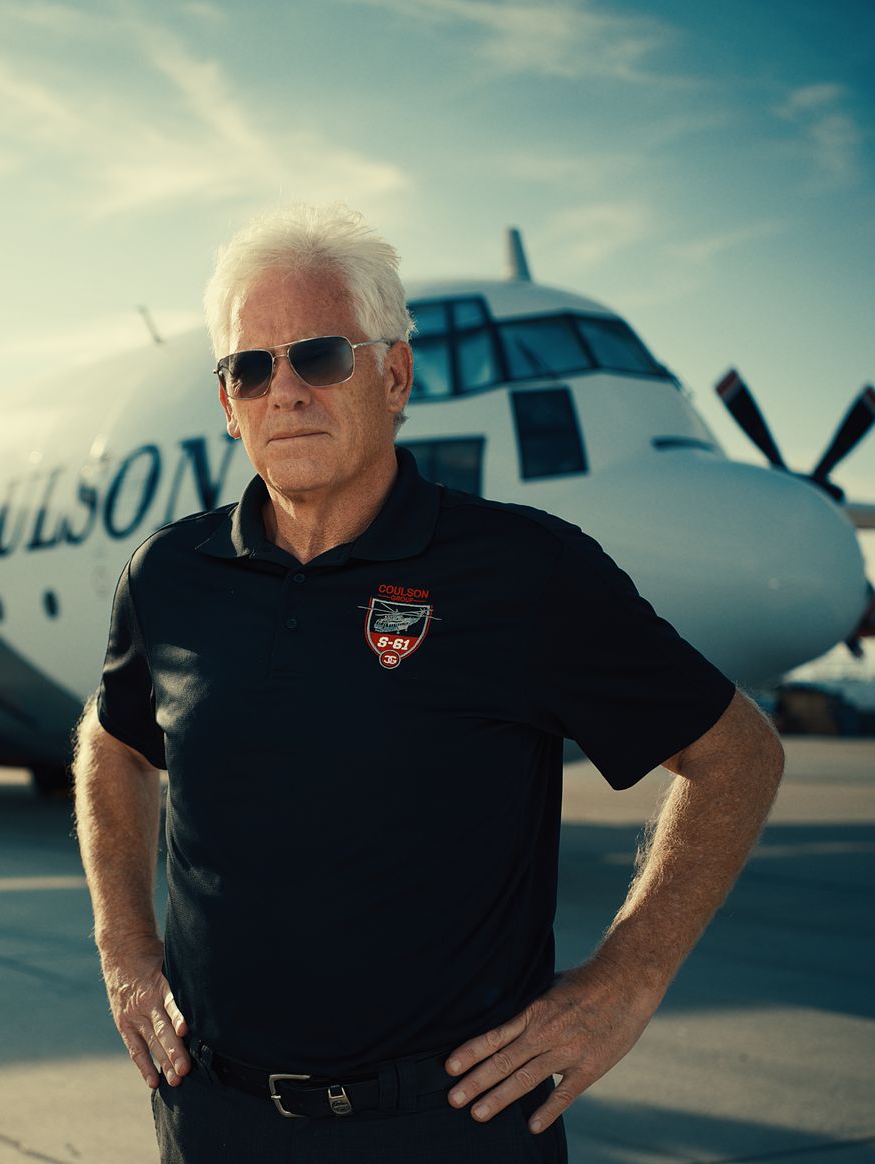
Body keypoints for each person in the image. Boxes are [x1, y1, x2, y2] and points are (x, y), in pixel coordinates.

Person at [74, 203, 784, 1162]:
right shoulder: (168, 577)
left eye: (320, 356)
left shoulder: (523, 570)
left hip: (448, 1129)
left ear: (395, 374)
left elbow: (736, 752)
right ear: (227, 401)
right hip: (216, 1121)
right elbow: (114, 744)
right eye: (251, 367)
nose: (284, 391)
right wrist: (125, 950)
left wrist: (627, 979)